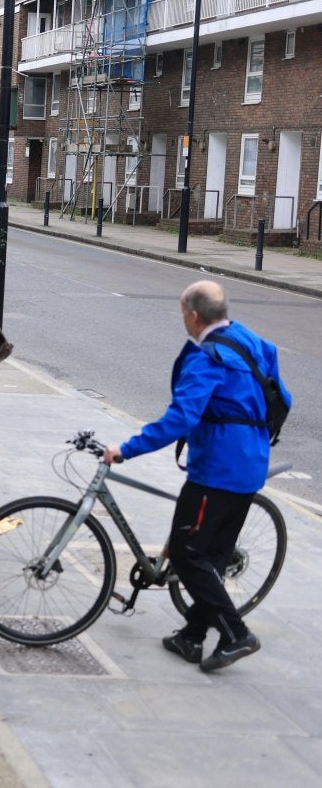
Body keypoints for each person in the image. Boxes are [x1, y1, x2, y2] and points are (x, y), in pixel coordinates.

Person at [104, 281, 289, 673]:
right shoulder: (251, 340)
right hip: (250, 464)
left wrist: (127, 448)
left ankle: (237, 634)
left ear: (192, 315)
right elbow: (282, 396)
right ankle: (192, 636)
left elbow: (181, 418)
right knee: (214, 557)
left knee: (187, 556)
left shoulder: (208, 358)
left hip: (216, 473)